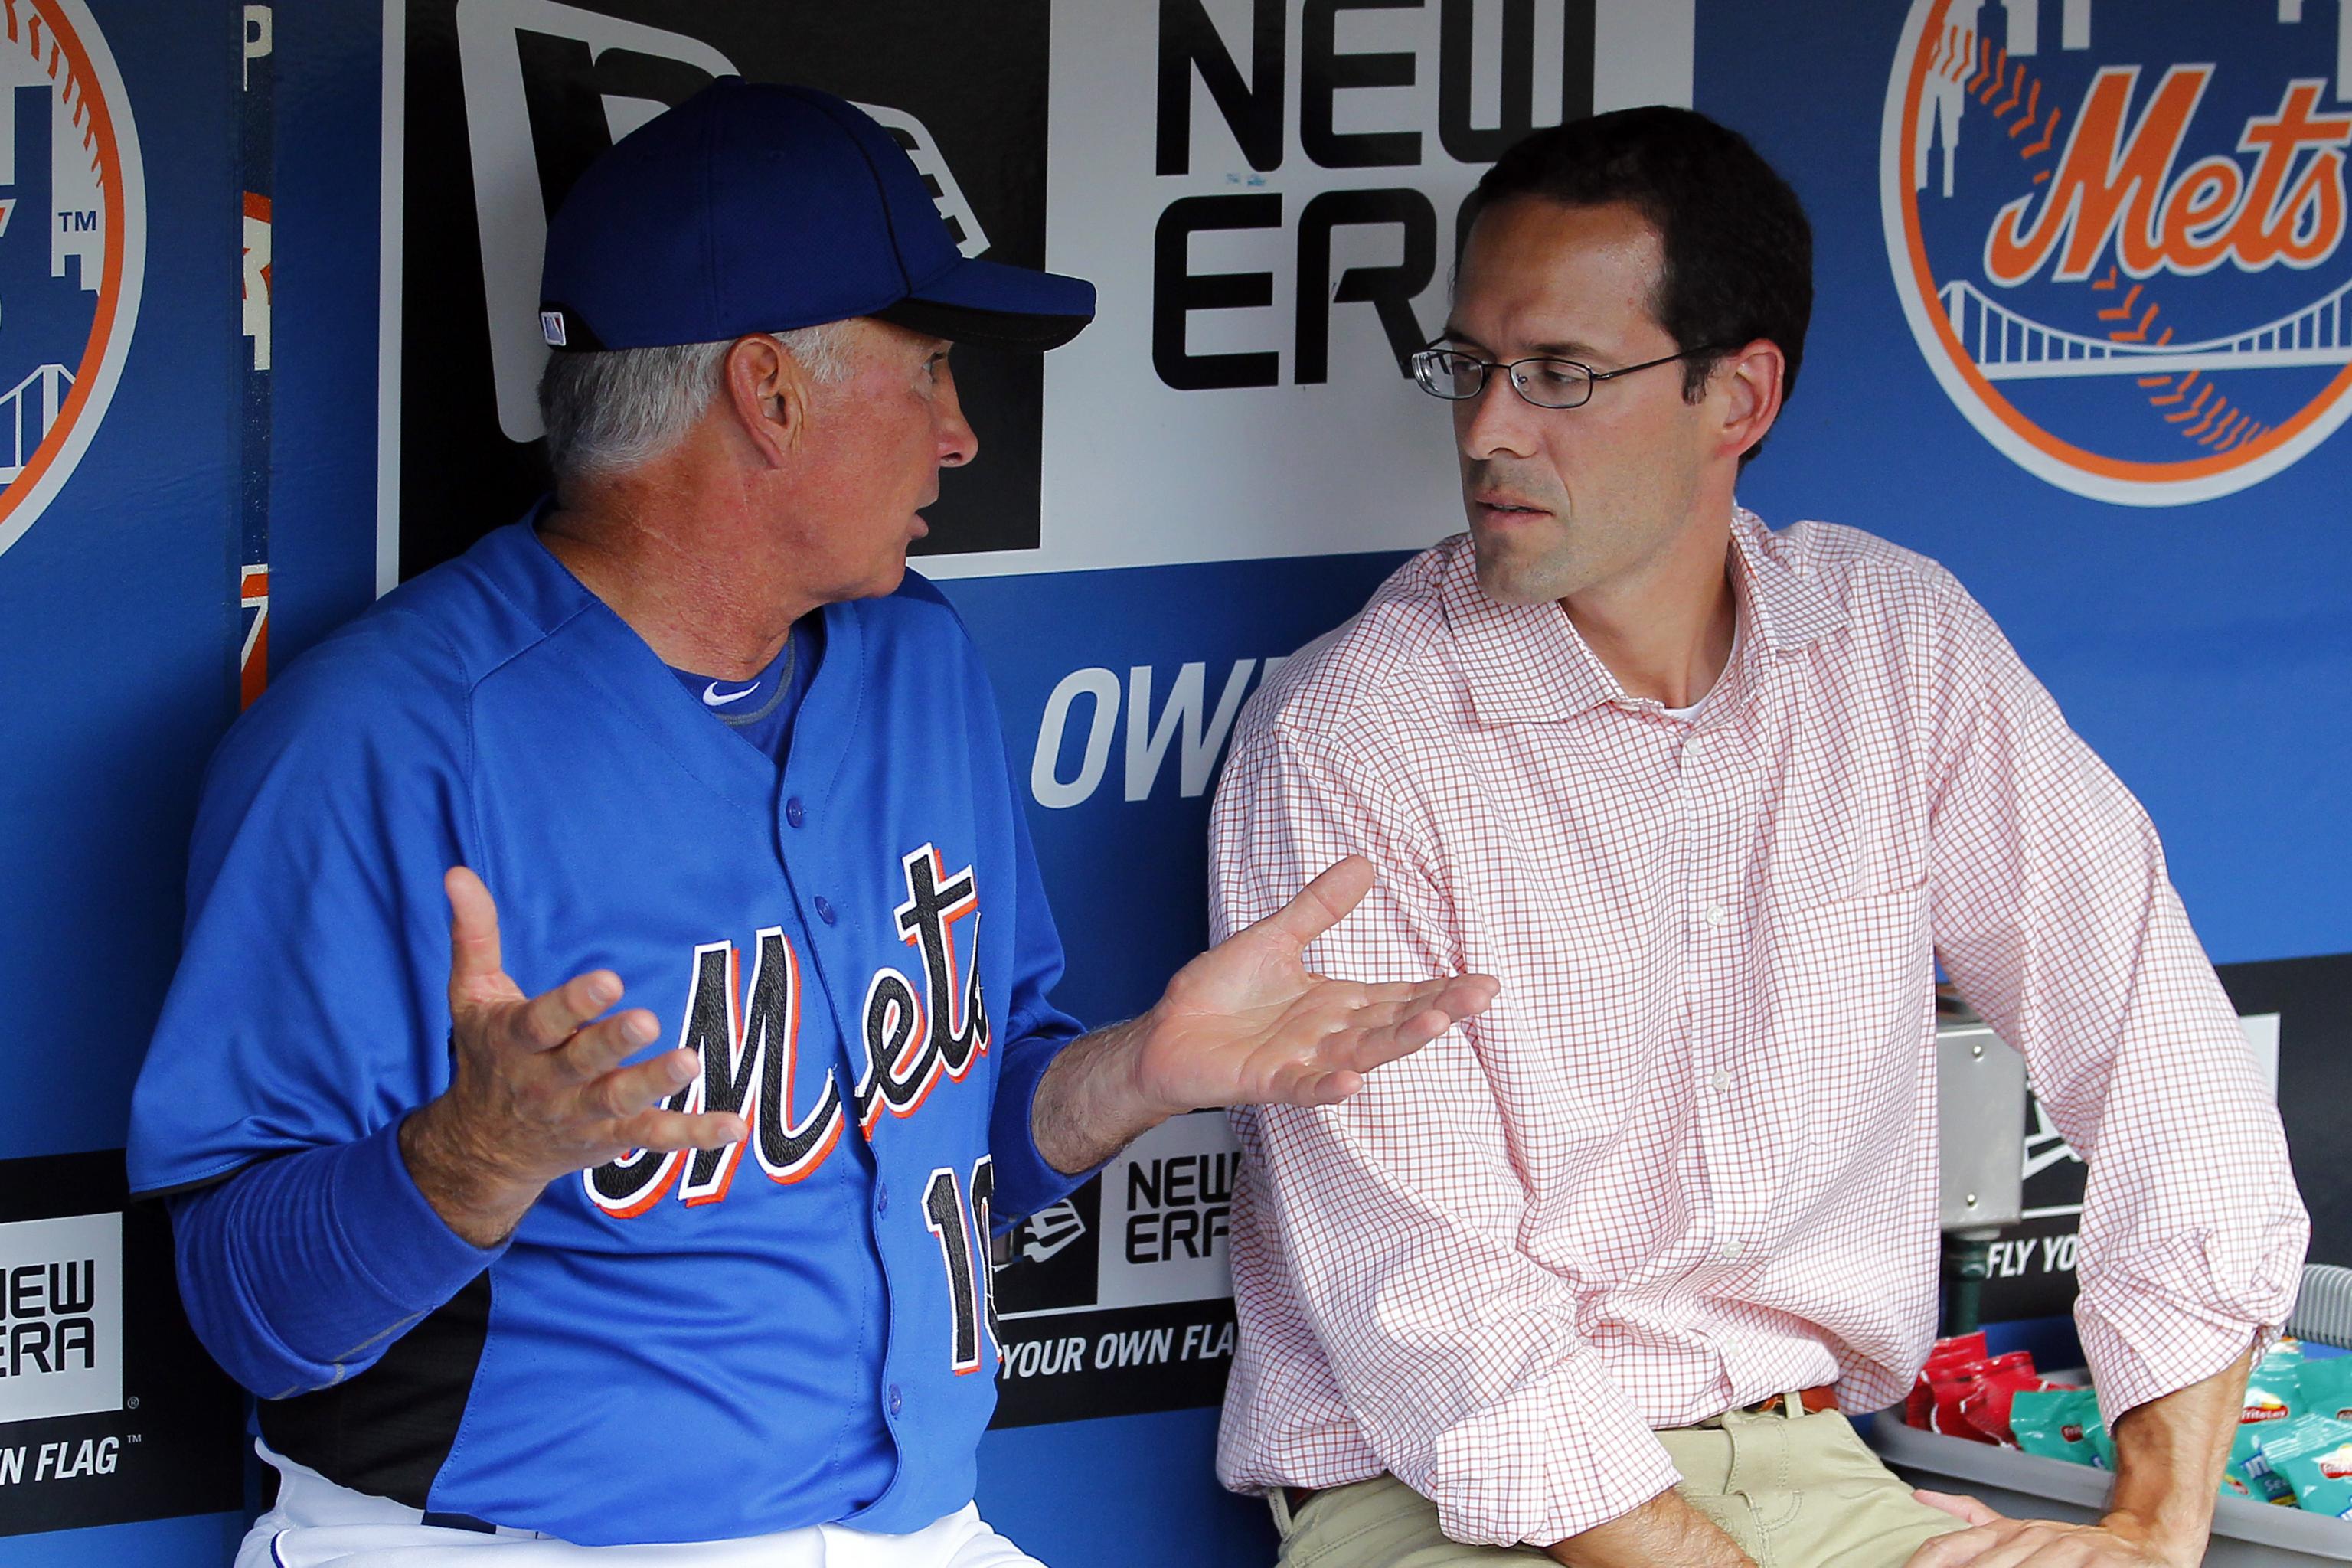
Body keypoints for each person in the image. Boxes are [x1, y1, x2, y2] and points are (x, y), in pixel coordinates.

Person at [126, 80, 1495, 1568]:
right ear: (769, 390)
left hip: (910, 1527)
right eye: (929, 373)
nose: (962, 434)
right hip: (511, 1543)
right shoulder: (384, 739)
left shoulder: (918, 665)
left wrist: (1143, 1072)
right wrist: (479, 1149)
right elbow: (248, 1317)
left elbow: (970, 1147)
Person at [1207, 106, 2307, 1568]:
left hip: (1814, 1471)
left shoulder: (1893, 647)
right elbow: (1433, 1313)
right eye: (1469, 368)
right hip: (1449, 1504)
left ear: (1740, 396)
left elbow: (2159, 1043)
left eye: (1561, 376)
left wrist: (2153, 1532)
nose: (1487, 430)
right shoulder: (1350, 739)